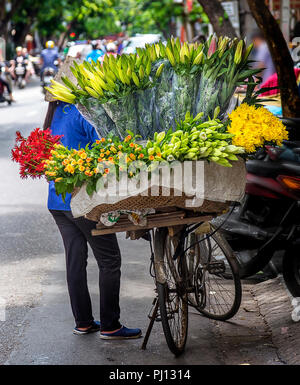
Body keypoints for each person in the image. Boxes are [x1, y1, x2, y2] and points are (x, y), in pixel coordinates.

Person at [43, 99, 142, 340]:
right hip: (84, 202)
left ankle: (84, 322)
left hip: (58, 201)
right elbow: (105, 147)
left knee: (75, 261)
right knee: (109, 260)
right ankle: (110, 325)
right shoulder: (83, 112)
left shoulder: (54, 113)